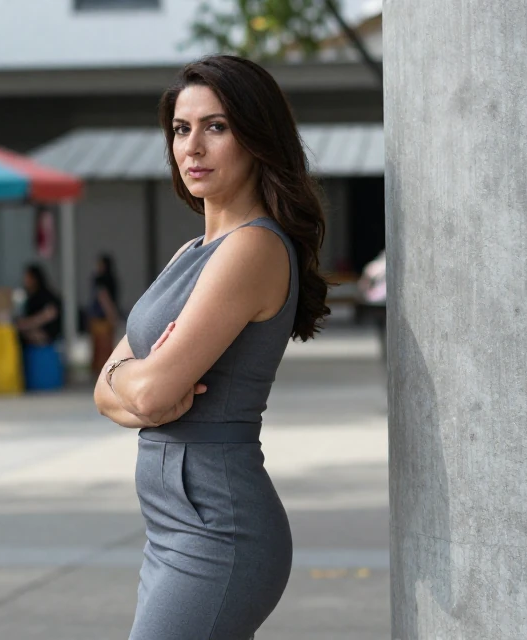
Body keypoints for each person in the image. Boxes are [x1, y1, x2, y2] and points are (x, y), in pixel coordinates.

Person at [93, 55, 330, 640]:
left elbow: (143, 391)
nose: (192, 146)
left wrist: (137, 383)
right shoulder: (188, 253)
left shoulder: (252, 249)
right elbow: (107, 392)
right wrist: (138, 385)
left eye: (216, 127)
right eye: (181, 129)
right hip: (171, 523)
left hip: (219, 528)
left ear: (255, 137)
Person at [88, 253, 121, 373]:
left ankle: (101, 370)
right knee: (102, 347)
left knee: (102, 347)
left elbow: (104, 297)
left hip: (102, 317)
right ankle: (102, 370)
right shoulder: (102, 279)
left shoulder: (102, 279)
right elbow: (104, 297)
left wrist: (111, 314)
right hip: (101, 318)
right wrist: (112, 315)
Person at [16, 264, 61, 346]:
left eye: (28, 278)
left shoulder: (46, 296)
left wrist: (25, 324)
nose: (25, 281)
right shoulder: (28, 297)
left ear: (35, 279)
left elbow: (50, 314)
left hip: (49, 336)